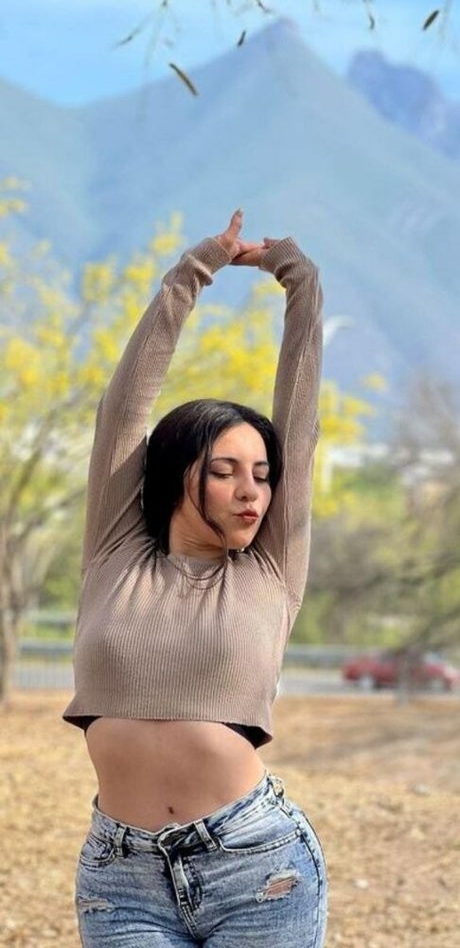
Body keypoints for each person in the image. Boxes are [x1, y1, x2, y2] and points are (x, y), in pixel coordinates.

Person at [63, 209, 326, 947]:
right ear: (180, 472)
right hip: (122, 877)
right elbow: (123, 412)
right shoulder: (115, 551)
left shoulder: (269, 568)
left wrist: (300, 281)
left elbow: (301, 423)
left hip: (258, 869)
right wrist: (191, 273)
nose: (252, 492)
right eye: (225, 471)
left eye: (262, 475)